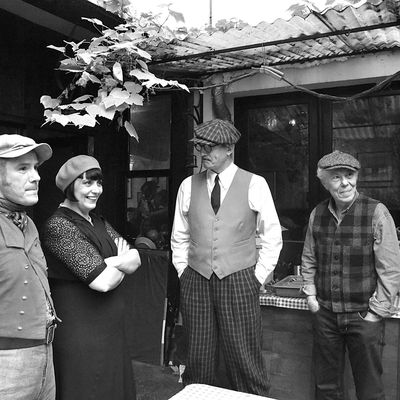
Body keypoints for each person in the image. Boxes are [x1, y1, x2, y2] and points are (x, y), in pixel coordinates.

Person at [171, 119, 282, 396]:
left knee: (244, 354)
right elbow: (179, 236)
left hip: (239, 278)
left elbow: (271, 237)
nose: (203, 153)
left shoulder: (255, 184)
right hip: (196, 278)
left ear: (229, 148)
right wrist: (183, 271)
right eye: (200, 147)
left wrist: (255, 278)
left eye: (210, 147)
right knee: (198, 354)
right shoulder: (188, 185)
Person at [301, 150, 400, 400]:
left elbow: (390, 268)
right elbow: (309, 258)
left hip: (363, 316)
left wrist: (376, 313)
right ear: (323, 181)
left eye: (350, 175)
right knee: (326, 389)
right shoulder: (317, 214)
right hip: (325, 315)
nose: (345, 182)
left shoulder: (377, 212)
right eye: (336, 177)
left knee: (370, 391)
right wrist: (311, 296)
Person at [41, 155, 141, 400]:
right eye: (87, 183)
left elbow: (136, 258)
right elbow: (103, 282)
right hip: (81, 334)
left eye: (98, 183)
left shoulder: (98, 221)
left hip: (110, 331)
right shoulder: (59, 226)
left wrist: (112, 263)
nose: (96, 190)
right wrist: (120, 265)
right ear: (69, 187)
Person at [0, 134, 56, 400]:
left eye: (34, 168)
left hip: (45, 353)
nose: (36, 177)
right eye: (22, 168)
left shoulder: (28, 223)